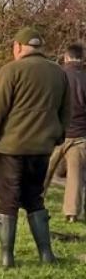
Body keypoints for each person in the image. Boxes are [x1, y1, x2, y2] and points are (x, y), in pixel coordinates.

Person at [0, 27, 70, 268]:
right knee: (34, 198)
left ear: (18, 47)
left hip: (11, 147)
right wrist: (56, 137)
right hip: (42, 148)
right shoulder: (59, 73)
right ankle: (46, 255)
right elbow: (65, 112)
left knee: (8, 200)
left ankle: (7, 257)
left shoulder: (11, 71)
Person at [47, 44, 86, 224]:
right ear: (82, 58)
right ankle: (72, 213)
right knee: (75, 176)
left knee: (43, 170)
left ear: (66, 57)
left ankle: (31, 203)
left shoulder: (57, 76)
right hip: (80, 134)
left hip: (56, 132)